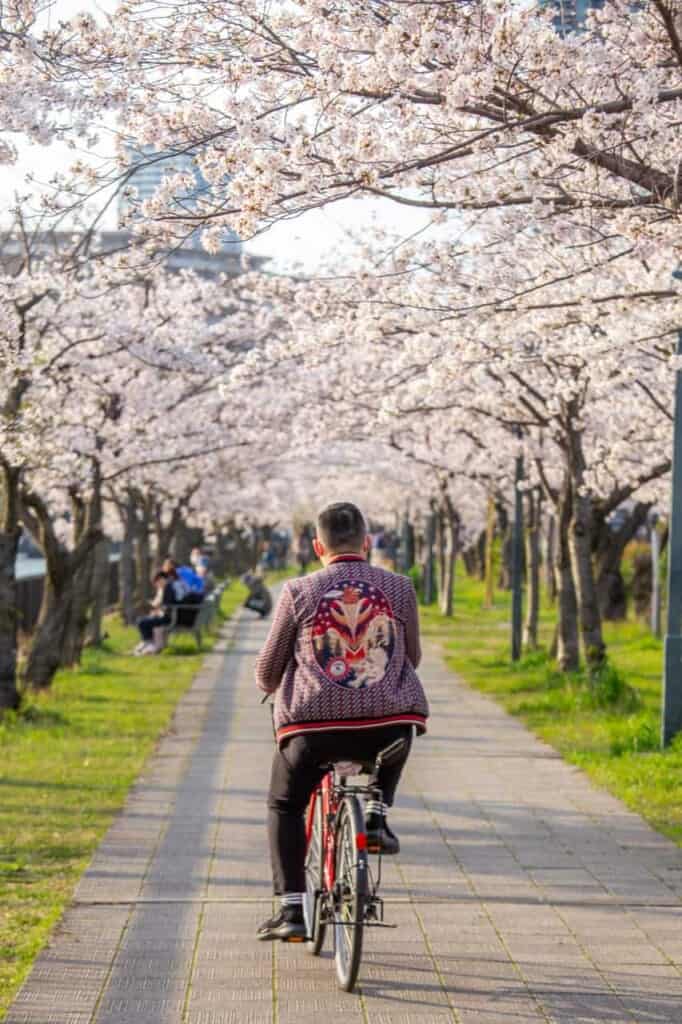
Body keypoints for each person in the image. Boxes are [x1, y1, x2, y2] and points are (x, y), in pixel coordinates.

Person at [254, 501, 428, 942]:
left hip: (314, 732)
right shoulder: (400, 587)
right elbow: (413, 657)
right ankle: (376, 814)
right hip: (389, 726)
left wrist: (273, 685)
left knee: (285, 804)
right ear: (367, 543)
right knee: (397, 733)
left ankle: (292, 911)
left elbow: (268, 670)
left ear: (317, 546)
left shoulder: (298, 591)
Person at [134, 569, 181, 655]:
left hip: (168, 618)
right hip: (167, 616)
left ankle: (149, 643)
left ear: (162, 579)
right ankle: (146, 641)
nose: (157, 585)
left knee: (142, 622)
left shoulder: (169, 589)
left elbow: (168, 607)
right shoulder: (168, 587)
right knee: (142, 620)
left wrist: (158, 612)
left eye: (157, 582)